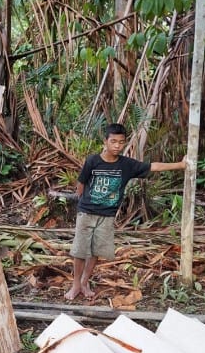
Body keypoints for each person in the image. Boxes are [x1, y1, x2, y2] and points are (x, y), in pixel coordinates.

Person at [64, 123, 186, 301]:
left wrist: (180, 165)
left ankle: (85, 282)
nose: (117, 146)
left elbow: (153, 166)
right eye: (113, 141)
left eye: (121, 142)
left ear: (124, 143)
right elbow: (81, 184)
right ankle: (75, 285)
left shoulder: (126, 165)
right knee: (80, 251)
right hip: (87, 212)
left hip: (107, 215)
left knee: (95, 251)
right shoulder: (92, 161)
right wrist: (81, 205)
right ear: (105, 141)